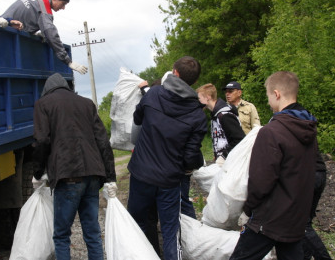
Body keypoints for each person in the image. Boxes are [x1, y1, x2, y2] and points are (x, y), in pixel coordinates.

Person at [127, 56, 207, 260]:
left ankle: (151, 254)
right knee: (171, 233)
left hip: (141, 175)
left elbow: (137, 119)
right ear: (194, 82)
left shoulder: (153, 94)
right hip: (169, 180)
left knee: (140, 224)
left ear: (175, 73)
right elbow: (191, 157)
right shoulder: (198, 115)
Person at [230, 71, 317, 260]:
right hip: (295, 216)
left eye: (269, 96)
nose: (269, 102)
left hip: (269, 219)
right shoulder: (308, 128)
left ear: (276, 94)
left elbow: (261, 180)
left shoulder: (271, 132)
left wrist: (248, 210)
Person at [31, 73, 117, 260]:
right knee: (92, 233)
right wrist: (111, 177)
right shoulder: (86, 103)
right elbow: (103, 140)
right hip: (93, 175)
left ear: (47, 89)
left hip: (67, 176)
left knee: (62, 235)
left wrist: (38, 173)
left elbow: (42, 140)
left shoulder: (43, 104)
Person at [2, 0, 88, 75]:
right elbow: (52, 36)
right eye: (63, 4)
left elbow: (25, 18)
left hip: (0, 25)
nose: (63, 8)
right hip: (6, 40)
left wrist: (33, 33)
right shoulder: (44, 11)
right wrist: (68, 61)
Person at [196, 83, 245, 166]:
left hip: (232, 163)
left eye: (199, 98)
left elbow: (239, 139)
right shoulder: (216, 115)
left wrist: (223, 156)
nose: (198, 101)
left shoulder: (225, 115)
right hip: (225, 163)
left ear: (208, 97)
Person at [302, 153, 332, 260]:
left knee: (300, 224)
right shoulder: (309, 135)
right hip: (318, 171)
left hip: (305, 175)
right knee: (305, 223)